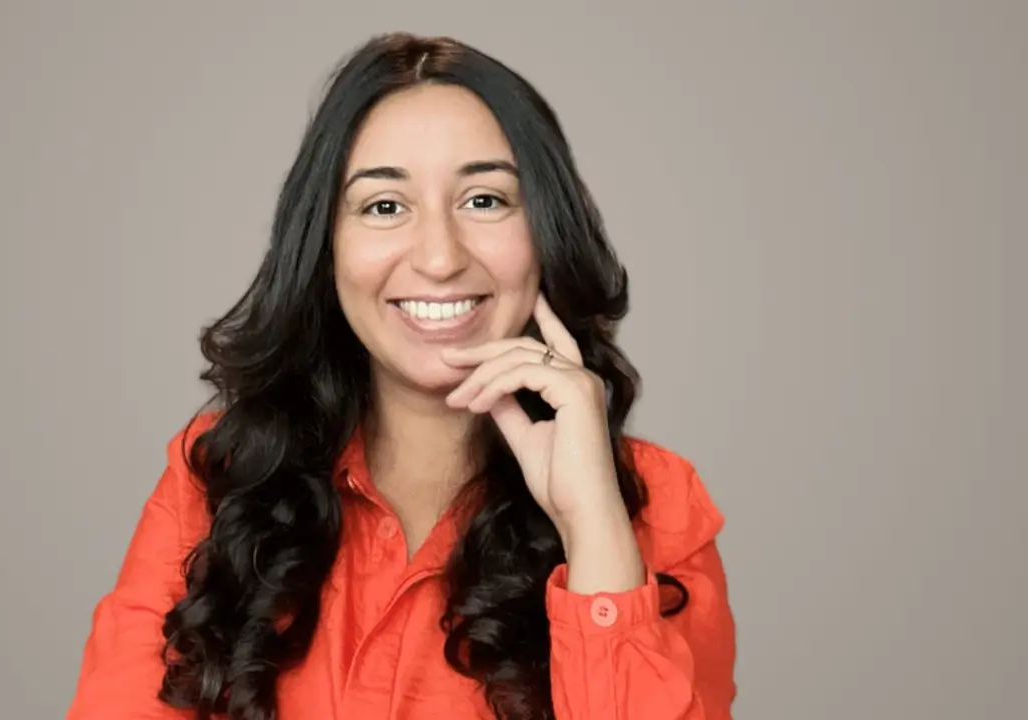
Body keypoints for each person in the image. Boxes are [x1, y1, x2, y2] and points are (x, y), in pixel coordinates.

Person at [66, 32, 735, 720]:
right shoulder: (218, 482)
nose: (440, 259)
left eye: (484, 200)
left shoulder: (658, 508)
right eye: (384, 206)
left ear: (546, 232)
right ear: (324, 244)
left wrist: (592, 527)